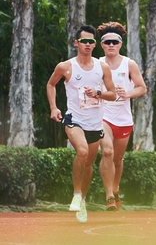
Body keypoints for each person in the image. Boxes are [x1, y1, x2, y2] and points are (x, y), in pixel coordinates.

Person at [47, 25, 117, 223]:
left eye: (91, 41)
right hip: (74, 119)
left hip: (94, 123)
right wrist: (54, 107)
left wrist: (98, 93)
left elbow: (112, 95)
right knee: (83, 151)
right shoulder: (66, 66)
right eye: (84, 41)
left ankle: (83, 199)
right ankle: (76, 195)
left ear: (95, 44)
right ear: (76, 43)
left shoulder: (102, 67)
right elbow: (51, 84)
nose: (88, 45)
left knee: (88, 164)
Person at [96, 22, 147, 212]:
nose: (111, 45)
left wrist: (127, 94)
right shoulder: (97, 64)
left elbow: (142, 87)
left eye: (114, 42)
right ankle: (109, 196)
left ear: (120, 44)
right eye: (107, 42)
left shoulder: (129, 64)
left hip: (124, 117)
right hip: (103, 115)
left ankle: (116, 188)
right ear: (102, 44)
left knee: (117, 159)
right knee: (107, 152)